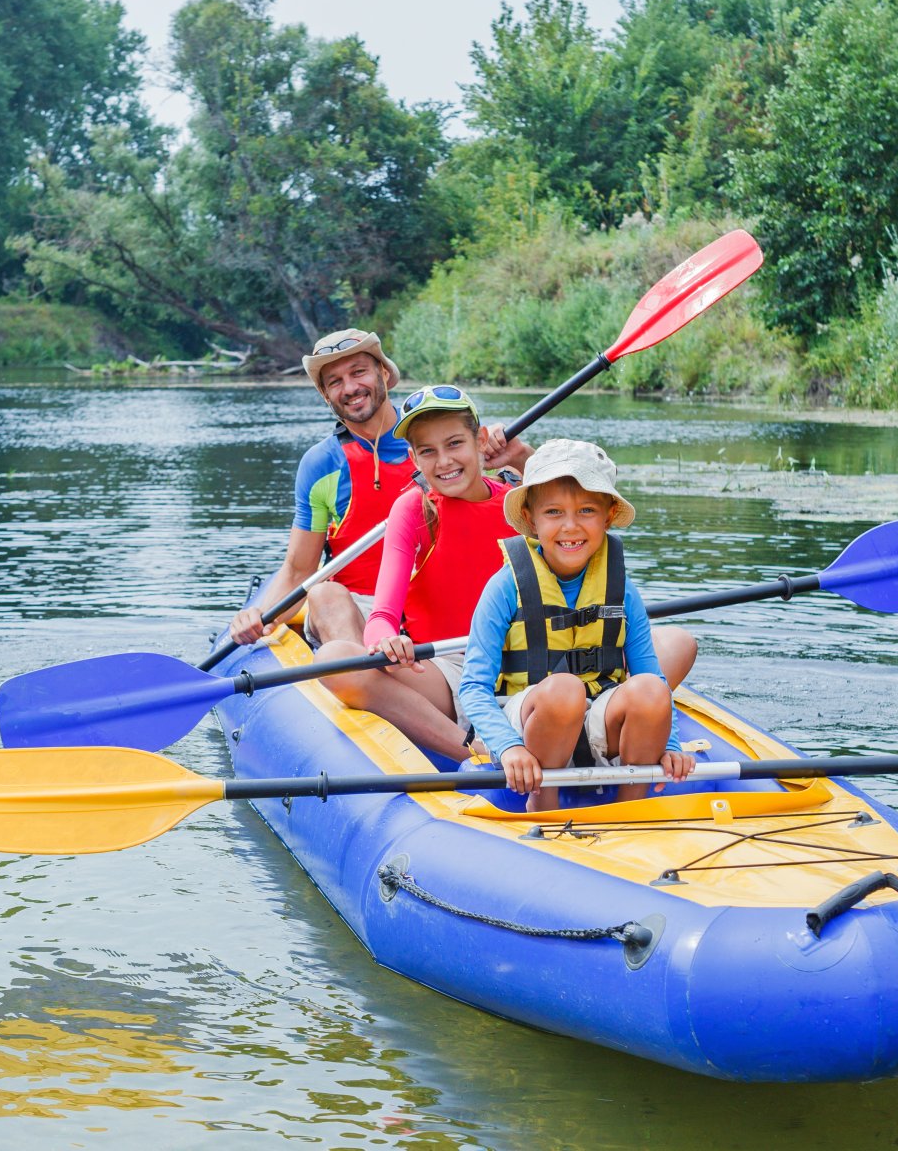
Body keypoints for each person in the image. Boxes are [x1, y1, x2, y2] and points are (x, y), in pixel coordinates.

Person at [320, 388, 699, 762]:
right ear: (413, 458)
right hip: (452, 665)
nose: (444, 461)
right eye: (428, 451)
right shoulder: (414, 508)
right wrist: (385, 638)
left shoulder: (518, 502)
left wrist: (521, 454)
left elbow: (575, 504)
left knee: (678, 643)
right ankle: (475, 748)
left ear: (480, 441)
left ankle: (606, 720)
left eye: (455, 444)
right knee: (337, 660)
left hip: (540, 652)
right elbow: (384, 614)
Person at [227, 331, 530, 654]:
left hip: (439, 606)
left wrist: (518, 456)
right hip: (361, 608)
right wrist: (262, 617)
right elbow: (300, 568)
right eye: (335, 381)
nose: (351, 388)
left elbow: (534, 505)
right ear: (325, 395)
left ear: (383, 373)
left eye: (359, 372)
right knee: (324, 594)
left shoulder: (436, 437)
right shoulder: (321, 465)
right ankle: (369, 682)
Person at [458, 440, 695, 811]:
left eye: (586, 510)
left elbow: (653, 676)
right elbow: (473, 687)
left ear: (608, 515)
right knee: (564, 690)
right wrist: (509, 746)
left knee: (649, 689)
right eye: (554, 512)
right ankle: (544, 804)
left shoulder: (622, 588)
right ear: (532, 519)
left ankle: (629, 808)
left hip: (596, 720)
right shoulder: (505, 585)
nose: (571, 526)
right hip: (529, 722)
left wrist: (671, 746)